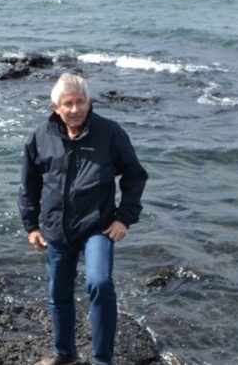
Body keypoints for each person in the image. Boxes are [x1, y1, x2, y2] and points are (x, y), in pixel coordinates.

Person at [19, 73, 148, 365]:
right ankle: (64, 354)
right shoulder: (41, 136)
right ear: (56, 107)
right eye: (68, 104)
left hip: (97, 227)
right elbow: (29, 185)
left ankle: (103, 360)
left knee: (100, 283)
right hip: (56, 229)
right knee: (58, 293)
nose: (75, 109)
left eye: (81, 102)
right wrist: (32, 226)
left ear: (90, 103)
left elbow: (135, 175)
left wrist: (124, 219)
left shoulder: (110, 133)